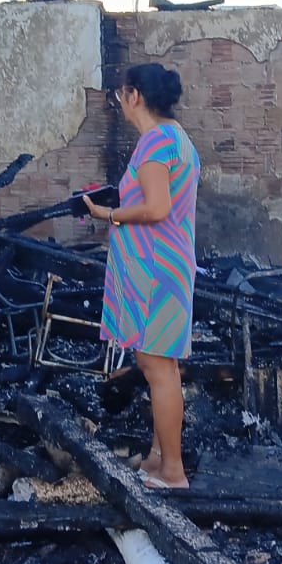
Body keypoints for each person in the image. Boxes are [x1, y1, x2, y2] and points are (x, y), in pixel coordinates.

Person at [80, 63, 201, 489]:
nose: (120, 103)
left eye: (120, 95)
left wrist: (108, 214)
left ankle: (173, 471)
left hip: (155, 269)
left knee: (158, 368)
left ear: (134, 96)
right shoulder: (177, 138)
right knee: (160, 365)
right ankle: (157, 458)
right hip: (167, 265)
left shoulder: (154, 143)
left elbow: (156, 208)